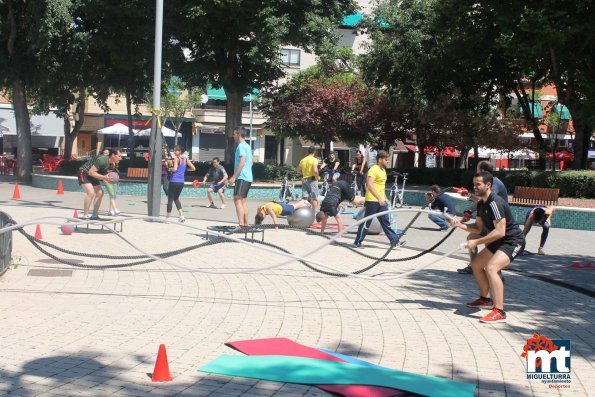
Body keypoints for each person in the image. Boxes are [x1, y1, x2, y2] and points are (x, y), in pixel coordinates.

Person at [450, 172, 525, 323]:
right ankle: (485, 299)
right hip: (500, 241)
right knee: (477, 265)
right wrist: (460, 225)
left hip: (512, 241)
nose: (475, 187)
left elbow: (500, 231)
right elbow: (478, 228)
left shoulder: (494, 203)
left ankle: (499, 311)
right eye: (474, 184)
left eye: (478, 184)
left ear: (488, 185)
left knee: (491, 268)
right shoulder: (482, 203)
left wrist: (476, 243)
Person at [457, 160, 509, 274]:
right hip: (491, 220)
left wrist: (469, 209)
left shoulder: (493, 184)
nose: (475, 171)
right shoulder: (492, 182)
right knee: (473, 238)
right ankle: (476, 267)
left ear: (483, 171)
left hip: (498, 223)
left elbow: (484, 201)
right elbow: (481, 201)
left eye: (477, 169)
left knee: (478, 240)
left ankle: (484, 268)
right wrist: (469, 207)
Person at [353, 150, 400, 248]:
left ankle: (395, 242)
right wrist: (378, 198)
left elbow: (381, 187)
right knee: (367, 222)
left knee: (385, 222)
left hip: (381, 202)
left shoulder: (383, 170)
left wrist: (385, 198)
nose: (388, 161)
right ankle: (358, 242)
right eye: (386, 159)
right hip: (372, 201)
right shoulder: (373, 169)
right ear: (380, 159)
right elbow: (369, 185)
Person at [78, 148, 122, 220]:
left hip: (93, 175)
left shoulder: (112, 164)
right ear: (113, 155)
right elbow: (91, 172)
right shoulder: (102, 160)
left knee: (100, 193)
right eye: (119, 156)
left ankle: (94, 215)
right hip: (84, 173)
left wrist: (111, 179)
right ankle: (85, 215)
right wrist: (104, 177)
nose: (121, 158)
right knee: (91, 193)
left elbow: (106, 175)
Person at [228, 126, 253, 229]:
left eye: (234, 134)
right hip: (247, 177)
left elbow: (242, 162)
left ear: (238, 134)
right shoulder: (247, 146)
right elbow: (251, 162)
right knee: (242, 200)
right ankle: (246, 224)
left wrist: (233, 177)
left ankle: (241, 225)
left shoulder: (241, 146)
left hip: (242, 177)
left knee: (237, 199)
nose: (233, 136)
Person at [166, 145, 196, 222]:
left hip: (174, 180)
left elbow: (175, 169)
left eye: (175, 150)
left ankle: (168, 218)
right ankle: (182, 216)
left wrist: (170, 169)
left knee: (170, 199)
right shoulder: (185, 159)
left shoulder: (176, 158)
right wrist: (184, 170)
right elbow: (193, 168)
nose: (174, 152)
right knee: (176, 199)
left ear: (179, 151)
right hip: (181, 182)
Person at [298, 146, 320, 212]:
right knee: (314, 198)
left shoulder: (303, 160)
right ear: (314, 152)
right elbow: (315, 170)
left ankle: (303, 212)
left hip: (304, 179)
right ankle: (314, 214)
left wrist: (304, 173)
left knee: (305, 198)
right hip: (312, 179)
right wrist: (317, 176)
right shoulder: (314, 159)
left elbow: (298, 170)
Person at [99, 148, 121, 216]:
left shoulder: (113, 161)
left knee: (114, 195)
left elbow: (114, 169)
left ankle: (110, 210)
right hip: (106, 179)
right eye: (104, 153)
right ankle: (115, 209)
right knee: (112, 194)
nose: (106, 155)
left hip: (113, 179)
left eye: (107, 153)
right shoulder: (102, 162)